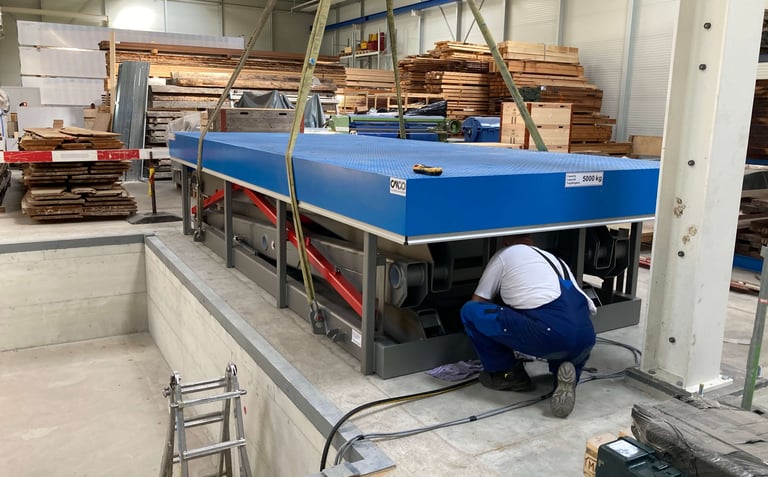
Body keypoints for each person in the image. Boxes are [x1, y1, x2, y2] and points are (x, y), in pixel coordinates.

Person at [460, 235, 597, 418]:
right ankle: (563, 373)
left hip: (550, 335)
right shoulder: (555, 260)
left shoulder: (504, 255)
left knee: (470, 311)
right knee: (559, 332)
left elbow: (479, 300)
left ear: (506, 243)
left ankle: (506, 373)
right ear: (531, 242)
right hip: (585, 338)